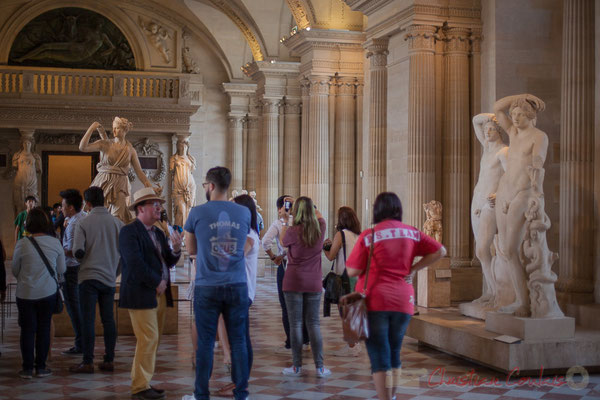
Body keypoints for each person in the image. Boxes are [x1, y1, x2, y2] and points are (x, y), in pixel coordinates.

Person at [346, 192, 446, 400]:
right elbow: (440, 251)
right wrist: (414, 269)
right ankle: (391, 397)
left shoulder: (369, 235)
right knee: (394, 352)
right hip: (403, 301)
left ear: (377, 210)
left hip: (375, 300)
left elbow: (352, 271)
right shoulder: (411, 233)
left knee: (379, 354)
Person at [182, 166, 251, 400]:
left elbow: (190, 249)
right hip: (237, 283)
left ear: (210, 186)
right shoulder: (244, 213)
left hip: (207, 285)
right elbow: (241, 247)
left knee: (205, 343)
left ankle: (201, 394)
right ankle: (241, 393)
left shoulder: (196, 212)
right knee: (239, 341)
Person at [119, 187, 182, 400]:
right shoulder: (129, 232)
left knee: (153, 340)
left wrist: (175, 248)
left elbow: (167, 260)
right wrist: (157, 282)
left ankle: (144, 381)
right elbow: (134, 264)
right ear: (140, 208)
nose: (159, 207)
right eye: (154, 204)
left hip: (160, 294)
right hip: (141, 293)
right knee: (148, 337)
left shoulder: (157, 232)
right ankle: (139, 386)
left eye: (160, 204)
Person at [493, 94, 547, 317]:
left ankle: (525, 303)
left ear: (530, 116)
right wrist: (522, 97)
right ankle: (521, 300)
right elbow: (497, 109)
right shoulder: (513, 133)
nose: (514, 118)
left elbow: (536, 164)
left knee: (512, 249)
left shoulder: (539, 136)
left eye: (520, 114)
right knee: (506, 250)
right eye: (513, 114)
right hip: (504, 191)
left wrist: (535, 187)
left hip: (522, 194)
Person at [69, 186, 124, 373]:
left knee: (88, 320)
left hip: (87, 278)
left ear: (88, 203)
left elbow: (77, 253)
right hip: (108, 278)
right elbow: (124, 256)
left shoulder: (83, 223)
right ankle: (109, 359)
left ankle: (87, 361)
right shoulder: (118, 224)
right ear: (104, 200)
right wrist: (114, 272)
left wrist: (82, 255)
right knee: (108, 320)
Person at [11, 208, 66, 379]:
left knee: (27, 330)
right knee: (43, 329)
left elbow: (14, 270)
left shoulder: (22, 243)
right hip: (47, 292)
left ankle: (27, 368)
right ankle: (41, 367)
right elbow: (61, 269)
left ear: (29, 224)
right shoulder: (55, 243)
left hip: (25, 293)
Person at [215, 194, 261, 397]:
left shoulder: (249, 234)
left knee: (240, 338)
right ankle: (239, 381)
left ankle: (240, 383)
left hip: (243, 291)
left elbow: (237, 255)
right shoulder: (242, 232)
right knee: (242, 337)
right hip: (236, 289)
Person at [280, 196, 330, 378]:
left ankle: (296, 366)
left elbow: (282, 241)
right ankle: (320, 367)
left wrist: (286, 219)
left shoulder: (292, 230)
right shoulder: (320, 228)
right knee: (314, 324)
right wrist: (306, 205)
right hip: (313, 281)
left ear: (296, 212)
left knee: (296, 325)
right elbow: (320, 215)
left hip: (293, 280)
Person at [79, 117, 160, 223]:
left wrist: (150, 188)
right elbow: (82, 147)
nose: (114, 131)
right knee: (97, 216)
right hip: (103, 181)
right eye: (113, 128)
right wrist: (92, 127)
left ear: (125, 130)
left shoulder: (130, 150)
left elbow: (139, 172)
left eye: (117, 128)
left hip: (121, 184)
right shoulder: (105, 144)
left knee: (119, 218)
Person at [261, 195, 309, 351]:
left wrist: (274, 256)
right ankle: (302, 339)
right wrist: (274, 256)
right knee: (298, 303)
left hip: (288, 266)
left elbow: (268, 242)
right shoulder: (301, 223)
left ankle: (293, 340)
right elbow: (266, 242)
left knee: (287, 304)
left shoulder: (282, 223)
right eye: (287, 204)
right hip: (297, 266)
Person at [471, 113, 508, 305]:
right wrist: (490, 117)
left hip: (490, 203)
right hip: (477, 200)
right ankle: (490, 291)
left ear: (499, 130)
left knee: (483, 248)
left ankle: (498, 293)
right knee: (482, 251)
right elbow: (475, 121)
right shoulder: (487, 149)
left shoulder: (504, 151)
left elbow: (512, 178)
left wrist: (499, 193)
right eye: (486, 130)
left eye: (492, 129)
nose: (487, 133)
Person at [322, 206, 361, 356]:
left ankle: (352, 346)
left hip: (344, 278)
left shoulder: (341, 234)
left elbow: (331, 256)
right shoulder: (358, 235)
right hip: (357, 277)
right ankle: (354, 343)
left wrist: (325, 247)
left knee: (345, 312)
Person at [59, 189, 85, 356]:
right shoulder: (79, 219)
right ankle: (81, 342)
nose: (61, 209)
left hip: (71, 268)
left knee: (73, 306)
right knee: (76, 306)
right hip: (78, 268)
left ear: (70, 207)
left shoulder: (74, 224)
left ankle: (80, 343)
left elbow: (72, 250)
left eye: (63, 206)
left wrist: (58, 250)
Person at [170, 137, 196, 228]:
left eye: (185, 144)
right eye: (181, 144)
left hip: (190, 188)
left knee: (188, 211)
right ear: (177, 146)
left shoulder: (191, 158)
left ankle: (187, 235)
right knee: (180, 211)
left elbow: (191, 171)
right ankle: (180, 233)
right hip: (179, 189)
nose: (183, 147)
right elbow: (172, 171)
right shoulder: (174, 158)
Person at [12, 137, 41, 218]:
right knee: (19, 203)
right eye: (24, 143)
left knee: (33, 202)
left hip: (32, 182)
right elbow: (14, 167)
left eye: (28, 143)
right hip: (20, 181)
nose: (26, 144)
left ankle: (32, 222)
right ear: (22, 144)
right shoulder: (17, 155)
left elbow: (39, 170)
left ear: (32, 144)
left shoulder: (35, 156)